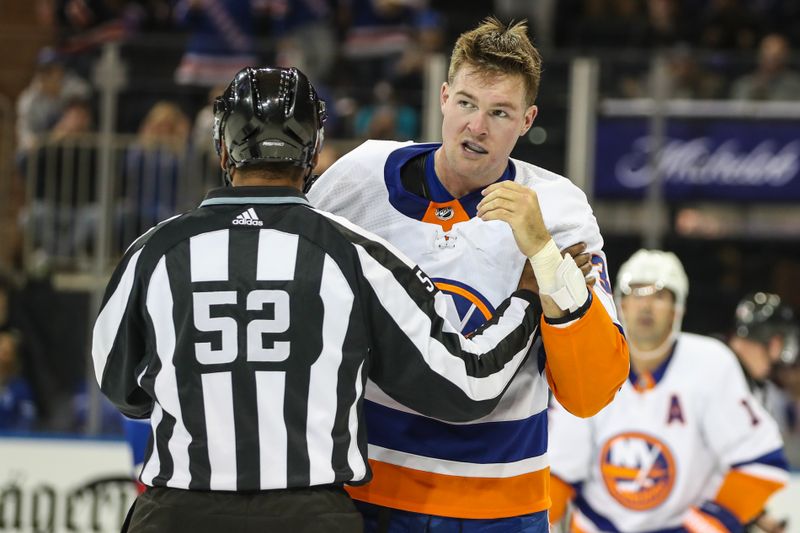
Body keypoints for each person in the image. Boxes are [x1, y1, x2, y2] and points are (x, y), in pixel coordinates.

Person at [91, 66, 547, 533]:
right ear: (312, 152)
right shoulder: (354, 255)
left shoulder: (153, 252)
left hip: (176, 514)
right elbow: (466, 387)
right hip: (309, 516)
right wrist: (529, 298)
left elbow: (117, 382)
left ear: (223, 147)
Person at [307, 17, 629, 532]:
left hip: (498, 508)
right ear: (442, 96)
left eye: (499, 112)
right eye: (466, 104)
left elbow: (591, 393)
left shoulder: (559, 210)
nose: (476, 126)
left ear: (527, 121)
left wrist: (545, 256)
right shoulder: (358, 177)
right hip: (361, 492)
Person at [548, 249, 789, 533]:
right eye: (636, 293)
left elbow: (761, 464)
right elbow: (560, 473)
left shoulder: (711, 363)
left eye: (659, 295)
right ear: (620, 304)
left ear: (679, 309)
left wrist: (705, 526)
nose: (646, 305)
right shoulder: (589, 362)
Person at [730, 33, 800, 101]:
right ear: (759, 54)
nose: (771, 59)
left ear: (786, 56)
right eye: (767, 54)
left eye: (776, 56)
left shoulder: (796, 85)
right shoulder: (743, 84)